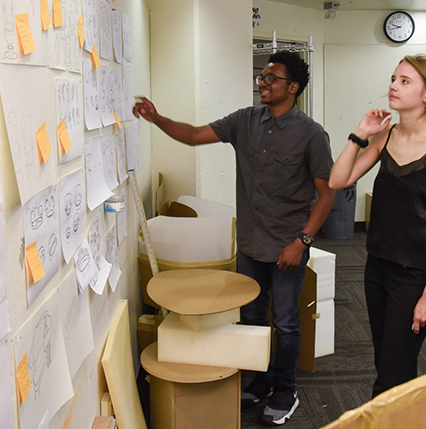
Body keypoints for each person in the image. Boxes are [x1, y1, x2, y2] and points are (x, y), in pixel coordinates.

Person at [133, 51, 335, 426]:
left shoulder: (311, 134)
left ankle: (285, 391)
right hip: (251, 244)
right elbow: (194, 136)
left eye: (272, 77)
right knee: (254, 315)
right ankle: (262, 378)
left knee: (288, 322)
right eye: (262, 75)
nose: (263, 81)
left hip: (289, 245)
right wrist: (157, 118)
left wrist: (302, 242)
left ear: (292, 87)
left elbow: (327, 195)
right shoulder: (245, 121)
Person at [329, 54, 426, 397]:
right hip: (377, 266)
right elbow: (337, 180)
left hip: (415, 274)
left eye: (405, 81)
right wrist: (360, 134)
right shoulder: (385, 136)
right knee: (388, 362)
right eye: (393, 78)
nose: (393, 86)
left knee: (393, 373)